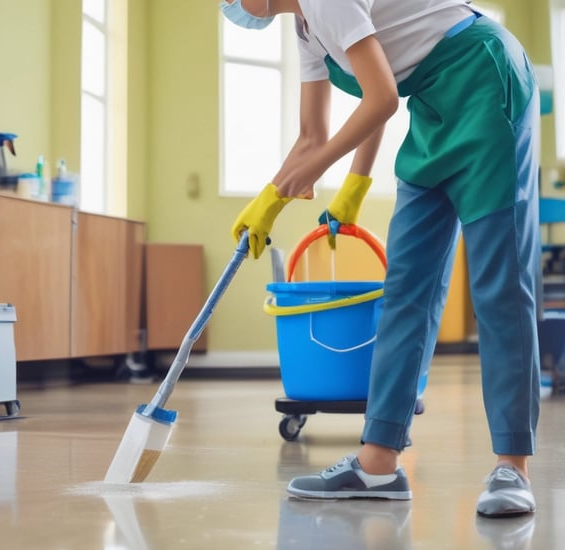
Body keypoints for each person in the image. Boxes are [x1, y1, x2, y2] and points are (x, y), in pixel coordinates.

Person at [222, 0, 541, 518]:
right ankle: (378, 463)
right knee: (405, 290)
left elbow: (382, 100)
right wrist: (278, 199)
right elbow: (313, 135)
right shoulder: (307, 33)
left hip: (484, 78)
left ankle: (513, 465)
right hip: (433, 106)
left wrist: (303, 183)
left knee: (500, 286)